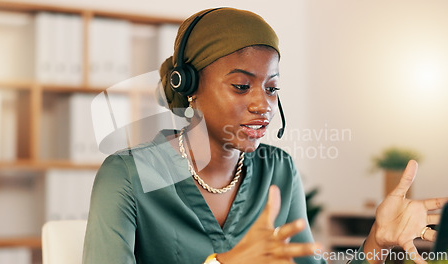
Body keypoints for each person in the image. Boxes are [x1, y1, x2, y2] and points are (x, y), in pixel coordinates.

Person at [83, 7, 447, 264]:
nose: (263, 104)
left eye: (271, 88)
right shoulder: (129, 176)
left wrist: (374, 246)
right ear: (189, 86)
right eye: (242, 86)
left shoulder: (278, 170)